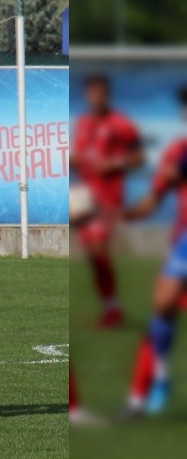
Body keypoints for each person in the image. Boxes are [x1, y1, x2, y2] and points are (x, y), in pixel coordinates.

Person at [118, 86, 187, 419]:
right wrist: (129, 215)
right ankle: (148, 389)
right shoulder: (179, 151)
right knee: (162, 308)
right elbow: (158, 193)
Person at [72, 73, 144, 328]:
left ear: (107, 95)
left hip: (108, 198)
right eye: (92, 93)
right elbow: (81, 157)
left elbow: (138, 158)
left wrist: (115, 162)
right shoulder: (83, 124)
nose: (96, 97)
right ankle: (110, 305)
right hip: (85, 198)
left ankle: (113, 308)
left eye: (100, 93)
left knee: (98, 250)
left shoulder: (121, 124)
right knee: (93, 255)